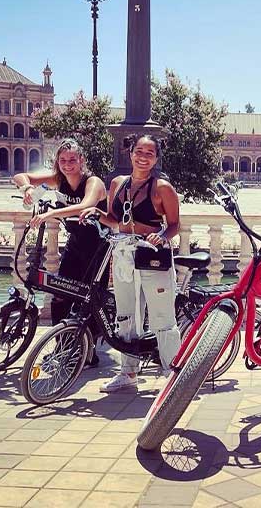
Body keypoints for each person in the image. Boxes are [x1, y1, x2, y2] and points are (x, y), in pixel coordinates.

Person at [81, 134, 181, 393]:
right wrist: (96, 213)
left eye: (150, 153)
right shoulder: (117, 183)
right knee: (126, 314)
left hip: (152, 255)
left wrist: (161, 237)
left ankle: (173, 374)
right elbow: (114, 219)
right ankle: (128, 372)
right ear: (130, 153)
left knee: (162, 316)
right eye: (139, 151)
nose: (143, 156)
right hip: (124, 253)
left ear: (156, 157)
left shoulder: (162, 188)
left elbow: (174, 225)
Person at [12, 138, 109, 366]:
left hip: (98, 248)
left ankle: (89, 351)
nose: (67, 164)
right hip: (75, 246)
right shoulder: (59, 179)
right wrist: (27, 188)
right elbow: (20, 176)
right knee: (59, 294)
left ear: (81, 160)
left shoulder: (92, 182)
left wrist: (50, 215)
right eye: (63, 160)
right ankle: (62, 346)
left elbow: (86, 205)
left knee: (90, 299)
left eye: (72, 160)